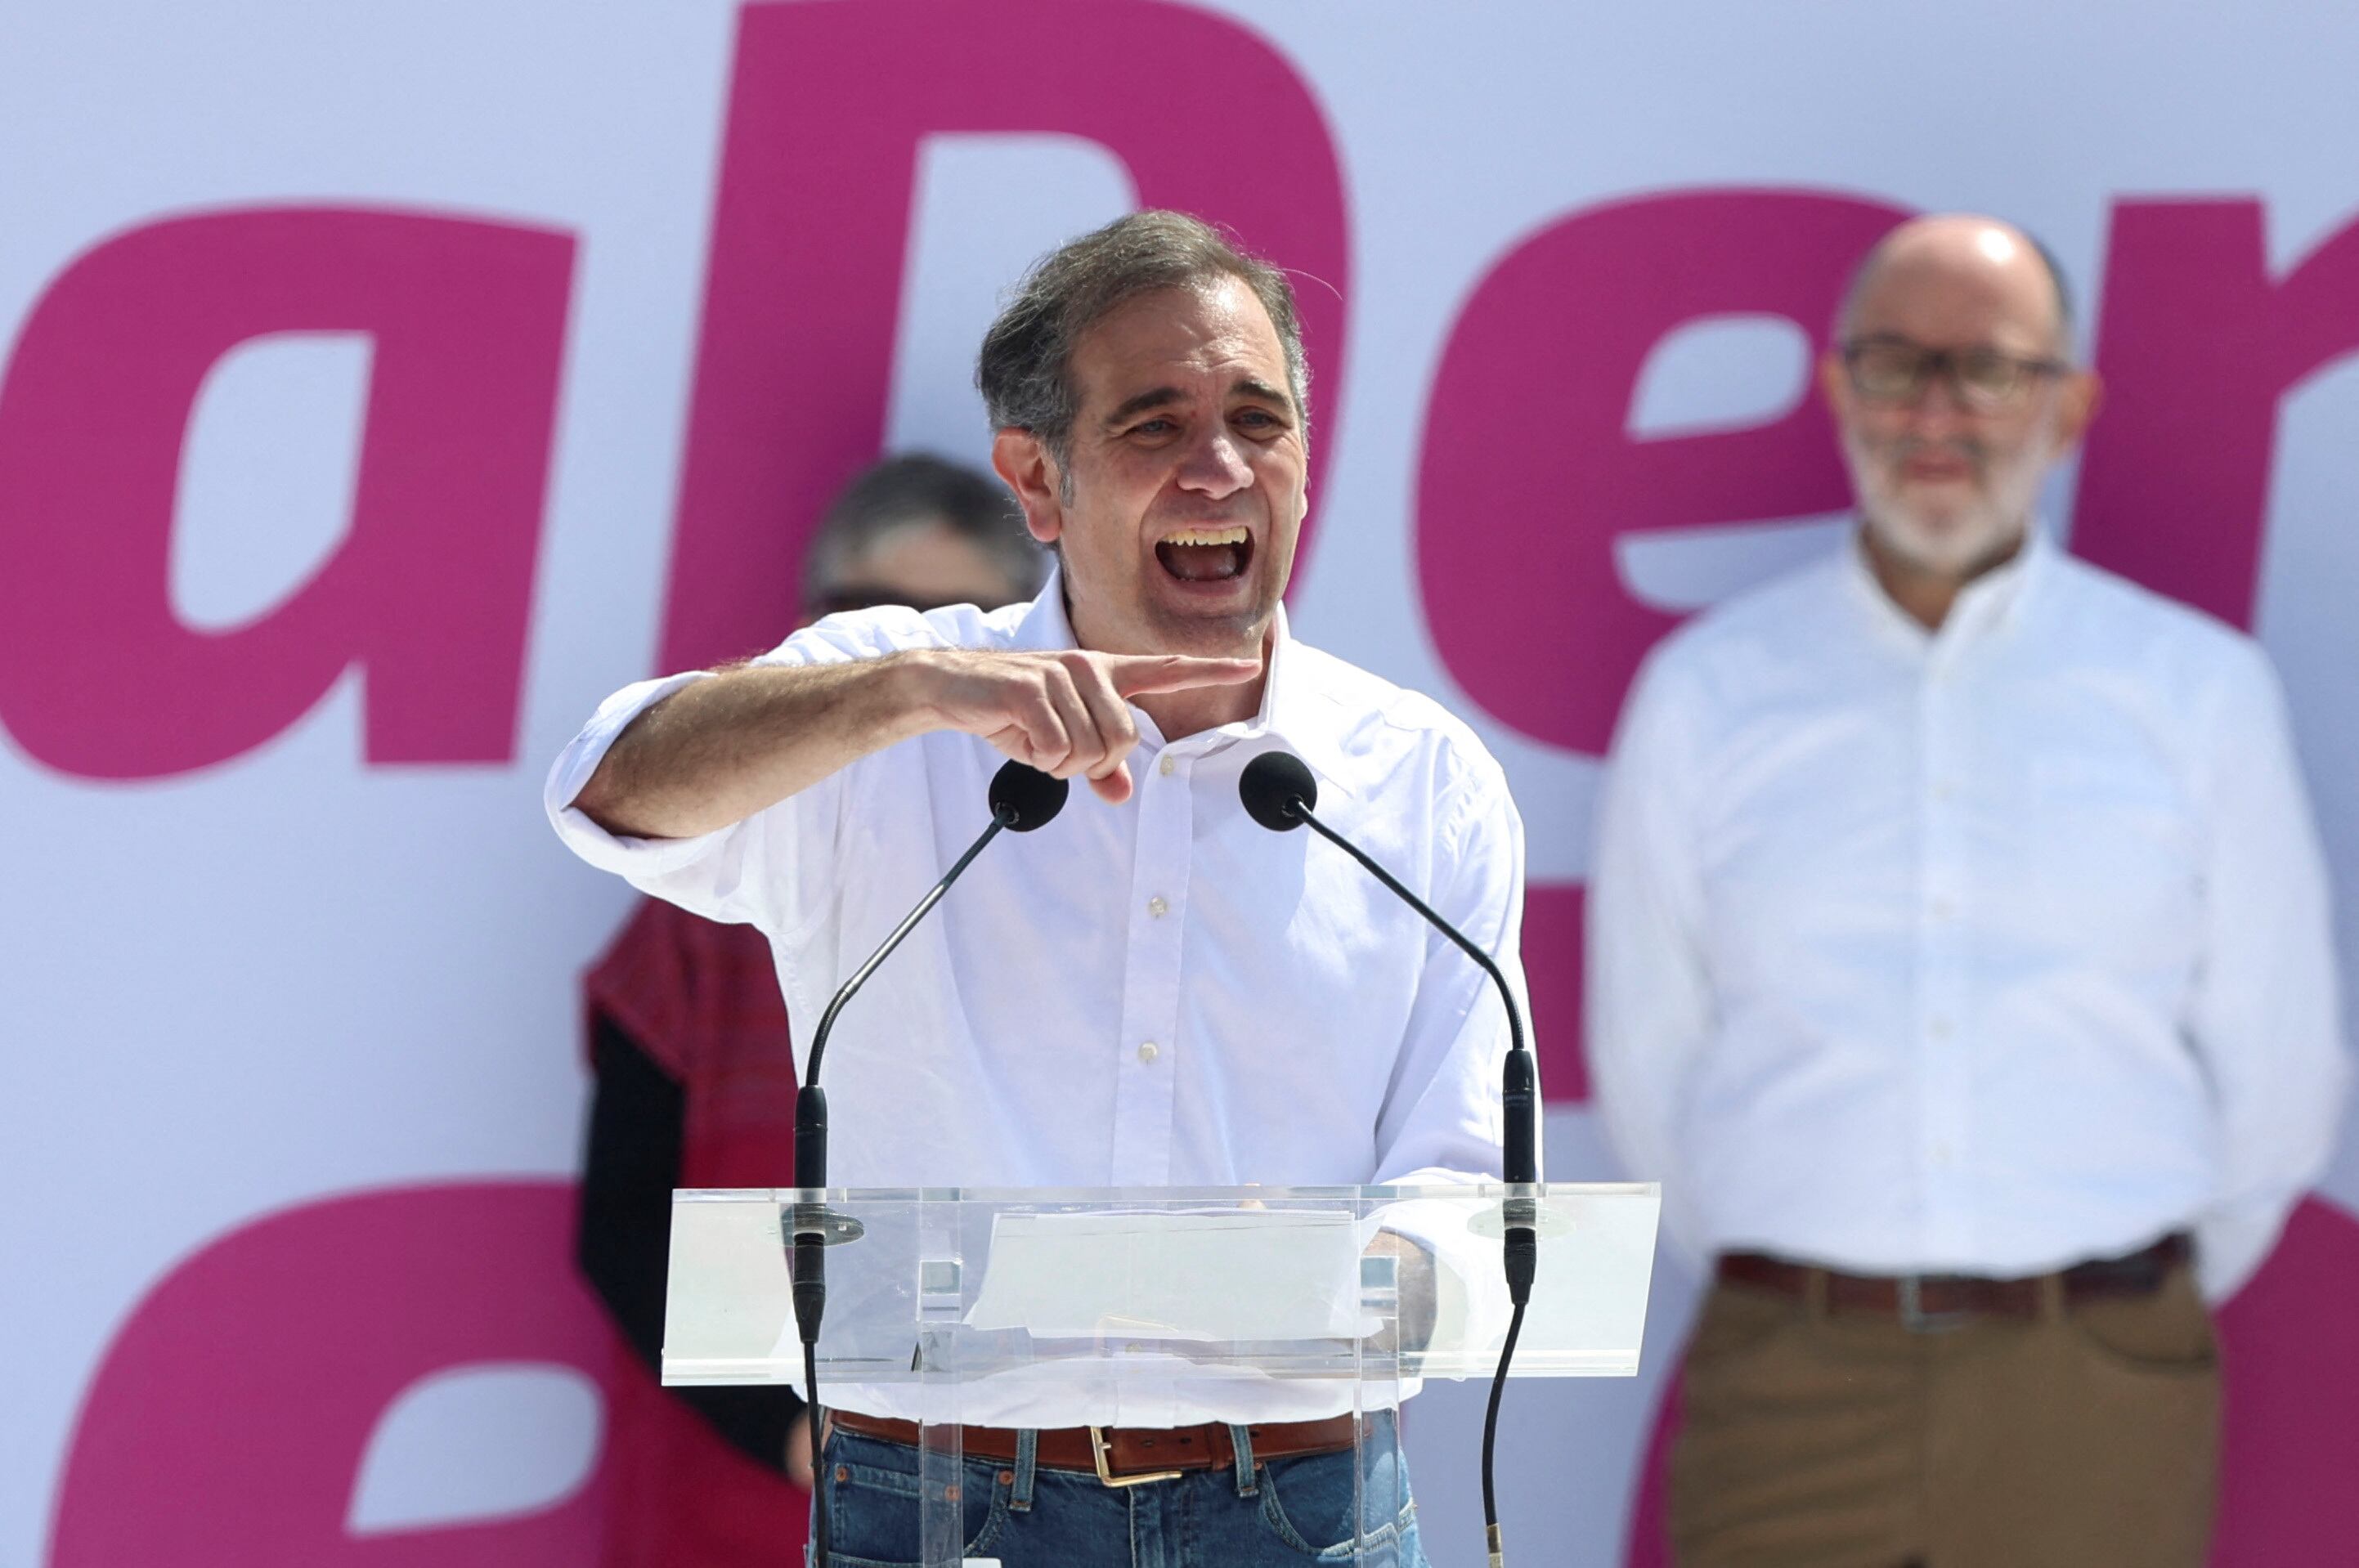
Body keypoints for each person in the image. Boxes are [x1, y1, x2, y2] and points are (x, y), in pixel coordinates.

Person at [548, 210, 1528, 1567]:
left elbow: (1466, 1191)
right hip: (942, 1504)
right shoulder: (895, 710)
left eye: (1260, 417)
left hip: (1300, 1510)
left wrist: (1320, 1286)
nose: (1219, 467)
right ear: (1036, 481)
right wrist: (910, 694)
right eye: (1152, 424)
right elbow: (608, 788)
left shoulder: (1417, 779)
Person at [1587, 212, 2349, 1568]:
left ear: (2067, 410)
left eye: (1990, 369)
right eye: (1893, 363)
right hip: (1789, 1387)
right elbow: (1651, 1064)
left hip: (2095, 1388)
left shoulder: (2192, 693)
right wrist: (1815, 1267)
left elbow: (2278, 1069)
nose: (1936, 411)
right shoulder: (1710, 694)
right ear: (1834, 393)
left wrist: (2095, 1293)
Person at [575, 453, 1047, 1568]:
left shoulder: (1091, 885)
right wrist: (794, 1434)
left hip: (1038, 1509)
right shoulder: (706, 896)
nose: (916, 664)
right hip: (745, 1500)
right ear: (807, 631)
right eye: (877, 623)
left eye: (954, 627)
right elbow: (624, 1222)